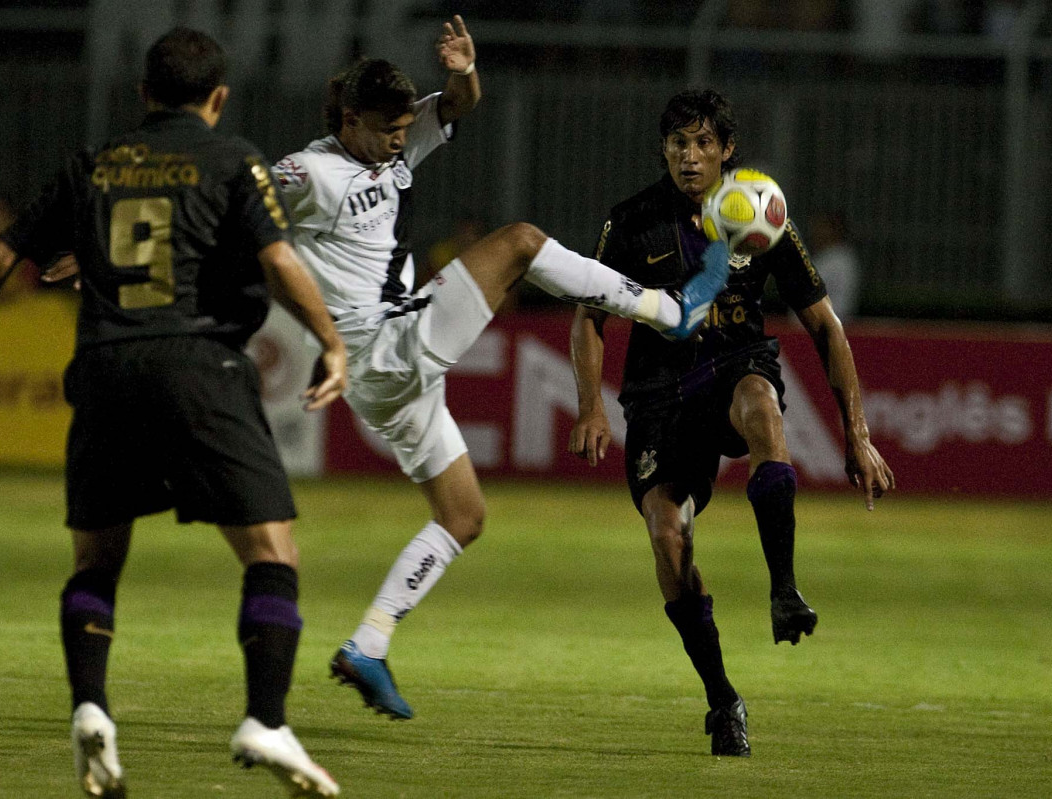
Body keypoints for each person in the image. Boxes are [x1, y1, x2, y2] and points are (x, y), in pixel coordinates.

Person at [0, 28, 347, 797]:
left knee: (95, 561)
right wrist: (331, 342)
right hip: (200, 365)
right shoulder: (231, 156)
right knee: (270, 552)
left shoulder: (93, 163)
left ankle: (90, 706)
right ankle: (265, 717)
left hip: (105, 369)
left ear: (142, 95)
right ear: (217, 98)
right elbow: (278, 260)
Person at [273, 17, 729, 721]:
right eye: (388, 129)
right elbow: (237, 217)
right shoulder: (309, 171)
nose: (402, 140)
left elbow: (459, 105)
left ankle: (369, 641)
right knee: (519, 242)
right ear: (349, 119)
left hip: (397, 372)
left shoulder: (389, 143)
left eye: (405, 129)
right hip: (382, 345)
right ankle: (670, 310)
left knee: (463, 515)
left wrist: (462, 71)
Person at [568, 89, 895, 757]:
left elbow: (827, 329)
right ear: (664, 151)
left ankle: (783, 589)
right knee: (667, 538)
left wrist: (856, 435)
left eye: (703, 144)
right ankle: (723, 699)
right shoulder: (632, 221)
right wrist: (591, 404)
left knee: (762, 405)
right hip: (659, 395)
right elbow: (590, 318)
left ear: (726, 151)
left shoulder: (762, 217)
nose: (690, 157)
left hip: (734, 365)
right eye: (678, 144)